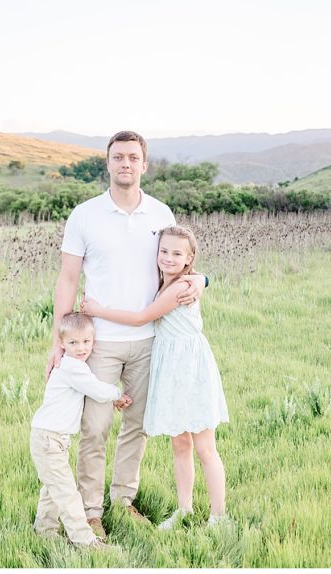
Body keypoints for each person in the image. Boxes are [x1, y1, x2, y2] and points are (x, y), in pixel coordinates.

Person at [46, 130, 206, 538]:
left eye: (133, 157)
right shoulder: (84, 215)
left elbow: (181, 264)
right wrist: (57, 343)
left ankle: (123, 499)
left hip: (151, 341)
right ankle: (90, 510)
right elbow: (67, 280)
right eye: (118, 157)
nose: (125, 164)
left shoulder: (161, 213)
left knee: (137, 426)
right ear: (108, 162)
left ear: (144, 165)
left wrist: (204, 279)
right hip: (97, 342)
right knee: (95, 428)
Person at [81, 226, 229, 529]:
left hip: (190, 368)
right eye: (164, 251)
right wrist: (204, 279)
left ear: (190, 259)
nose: (168, 258)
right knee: (180, 444)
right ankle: (184, 509)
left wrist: (97, 309)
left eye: (177, 253)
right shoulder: (167, 283)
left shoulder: (181, 287)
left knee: (204, 447)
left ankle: (219, 516)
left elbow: (141, 318)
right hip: (173, 369)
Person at [30, 312, 133, 549]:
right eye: (73, 343)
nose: (81, 348)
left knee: (53, 488)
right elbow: (96, 389)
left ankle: (44, 530)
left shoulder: (75, 365)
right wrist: (118, 394)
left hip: (52, 438)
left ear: (93, 340)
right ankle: (86, 541)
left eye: (86, 342)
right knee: (67, 493)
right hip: (49, 439)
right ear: (62, 344)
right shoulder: (71, 366)